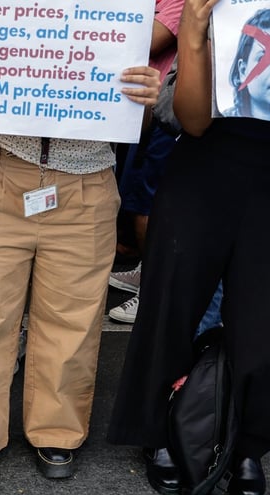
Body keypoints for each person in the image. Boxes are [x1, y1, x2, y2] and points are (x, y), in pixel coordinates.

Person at [109, 0, 270, 495]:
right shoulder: (221, 8)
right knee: (173, 306)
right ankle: (157, 432)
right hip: (204, 168)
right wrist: (192, 31)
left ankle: (249, 445)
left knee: (266, 319)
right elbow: (191, 121)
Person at [0, 11, 161, 488]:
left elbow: (138, 113)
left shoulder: (119, 12)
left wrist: (146, 94)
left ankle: (57, 429)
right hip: (2, 171)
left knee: (72, 319)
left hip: (87, 182)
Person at [107, 0, 185, 325]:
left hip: (162, 112)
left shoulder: (179, 2)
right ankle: (145, 272)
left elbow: (149, 40)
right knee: (135, 197)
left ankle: (153, 294)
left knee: (148, 208)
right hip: (136, 110)